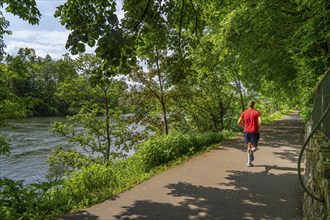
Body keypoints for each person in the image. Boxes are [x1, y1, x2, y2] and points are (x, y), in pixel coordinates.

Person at [237, 100, 262, 167]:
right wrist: (258, 126)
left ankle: (249, 163)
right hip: (254, 131)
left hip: (246, 131)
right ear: (253, 105)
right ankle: (252, 151)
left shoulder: (244, 113)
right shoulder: (257, 112)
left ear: (248, 105)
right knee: (254, 147)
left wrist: (244, 126)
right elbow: (260, 121)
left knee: (248, 146)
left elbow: (238, 121)